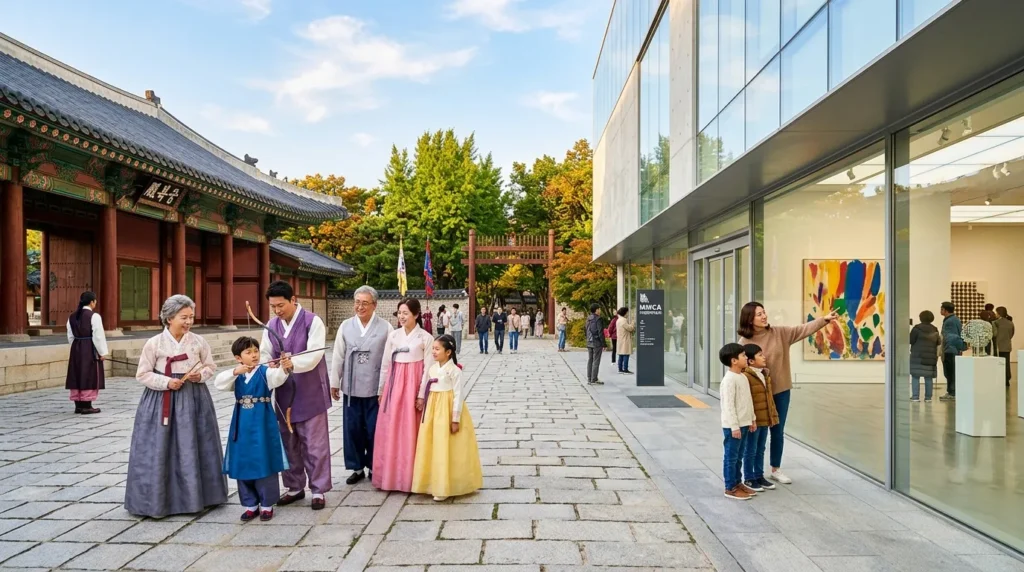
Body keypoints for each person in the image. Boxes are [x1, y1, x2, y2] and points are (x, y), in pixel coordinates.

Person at [125, 295, 226, 518]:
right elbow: (142, 374)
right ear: (169, 318)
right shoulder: (154, 343)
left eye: (191, 317)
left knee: (196, 443)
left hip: (194, 397)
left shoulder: (198, 342)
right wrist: (166, 382)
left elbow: (210, 366)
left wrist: (200, 375)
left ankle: (202, 496)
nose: (189, 322)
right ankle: (157, 499)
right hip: (162, 399)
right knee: (159, 446)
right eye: (184, 317)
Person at [738, 301, 837, 485]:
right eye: (759, 314)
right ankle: (753, 474)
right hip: (758, 394)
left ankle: (775, 469)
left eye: (764, 312)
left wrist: (824, 320)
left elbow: (803, 329)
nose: (764, 316)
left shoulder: (780, 333)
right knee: (757, 434)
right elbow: (739, 368)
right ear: (750, 319)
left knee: (777, 431)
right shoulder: (744, 342)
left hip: (780, 390)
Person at [261, 281, 331, 510]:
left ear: (293, 299)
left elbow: (315, 353)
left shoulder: (312, 321)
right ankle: (294, 486)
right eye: (273, 307)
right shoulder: (271, 325)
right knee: (288, 442)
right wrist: (271, 366)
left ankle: (318, 489)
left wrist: (292, 363)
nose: (277, 310)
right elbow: (265, 354)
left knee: (314, 444)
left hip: (310, 390)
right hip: (284, 392)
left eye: (281, 305)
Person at [214, 336, 291, 522]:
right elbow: (218, 382)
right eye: (248, 352)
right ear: (238, 357)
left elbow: (279, 377)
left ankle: (266, 504)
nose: (254, 355)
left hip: (262, 421)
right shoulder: (237, 374)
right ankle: (250, 504)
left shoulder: (266, 372)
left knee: (264, 458)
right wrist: (235, 371)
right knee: (242, 460)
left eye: (256, 351)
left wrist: (284, 366)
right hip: (241, 422)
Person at [330, 286, 392, 486]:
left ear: (374, 305)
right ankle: (356, 467)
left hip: (375, 388)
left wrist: (388, 386)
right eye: (357, 302)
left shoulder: (386, 328)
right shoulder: (346, 326)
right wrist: (334, 382)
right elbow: (338, 355)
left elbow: (391, 359)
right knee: (353, 429)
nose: (360, 306)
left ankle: (375, 466)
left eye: (365, 303)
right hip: (351, 386)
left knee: (375, 429)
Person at [411, 334, 483, 501]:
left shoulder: (454, 371)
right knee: (432, 445)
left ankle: (446, 485)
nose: (434, 352)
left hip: (448, 409)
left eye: (437, 349)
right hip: (433, 410)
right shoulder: (432, 369)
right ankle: (430, 482)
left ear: (448, 352)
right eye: (433, 349)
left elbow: (459, 395)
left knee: (446, 446)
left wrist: (455, 418)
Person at [374, 298, 435, 492]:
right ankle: (391, 476)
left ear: (416, 315)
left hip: (413, 384)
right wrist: (381, 389)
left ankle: (412, 477)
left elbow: (428, 369)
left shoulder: (425, 338)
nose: (401, 316)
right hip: (395, 385)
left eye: (406, 313)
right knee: (391, 428)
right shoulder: (393, 336)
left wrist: (421, 394)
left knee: (411, 429)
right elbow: (385, 365)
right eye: (399, 312)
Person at [719, 343, 757, 501]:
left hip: (744, 423)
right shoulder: (729, 380)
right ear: (734, 360)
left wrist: (752, 419)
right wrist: (734, 427)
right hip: (733, 427)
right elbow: (728, 406)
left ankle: (738, 482)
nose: (746, 358)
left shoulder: (742, 377)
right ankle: (730, 487)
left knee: (739, 456)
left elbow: (748, 401)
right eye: (743, 356)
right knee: (731, 457)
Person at [741, 344, 778, 493]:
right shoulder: (746, 376)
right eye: (760, 355)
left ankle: (758, 475)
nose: (764, 357)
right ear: (750, 361)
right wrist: (751, 419)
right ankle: (749, 477)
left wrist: (772, 416)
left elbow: (768, 398)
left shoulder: (764, 373)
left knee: (761, 449)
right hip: (753, 420)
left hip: (765, 419)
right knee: (750, 449)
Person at [65, 291, 108, 414]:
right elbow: (98, 336)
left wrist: (75, 347)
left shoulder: (72, 317)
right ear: (92, 302)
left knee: (77, 373)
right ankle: (86, 405)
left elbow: (70, 335)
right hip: (89, 347)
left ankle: (78, 405)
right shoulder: (94, 316)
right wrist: (102, 352)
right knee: (89, 374)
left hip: (76, 347)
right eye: (95, 301)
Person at [909, 310, 941, 402]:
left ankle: (915, 397)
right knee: (928, 377)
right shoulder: (935, 329)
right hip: (930, 357)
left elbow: (911, 340)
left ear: (920, 318)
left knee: (915, 376)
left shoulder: (916, 329)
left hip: (917, 356)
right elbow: (938, 342)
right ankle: (928, 398)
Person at [939, 301, 964, 401]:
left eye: (941, 309)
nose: (940, 311)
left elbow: (951, 337)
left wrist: (945, 348)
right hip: (954, 349)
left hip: (950, 350)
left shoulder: (950, 321)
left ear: (945, 310)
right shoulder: (954, 319)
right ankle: (951, 391)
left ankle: (952, 392)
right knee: (951, 372)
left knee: (950, 372)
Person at [994, 306, 1014, 387]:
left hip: (998, 346)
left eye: (996, 312)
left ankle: (999, 380)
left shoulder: (996, 323)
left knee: (999, 364)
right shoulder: (1010, 323)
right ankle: (1007, 379)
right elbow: (1012, 334)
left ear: (999, 313)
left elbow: (994, 334)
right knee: (1007, 363)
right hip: (1007, 346)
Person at [585, 304, 605, 385]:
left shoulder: (588, 318)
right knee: (596, 360)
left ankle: (590, 378)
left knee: (590, 360)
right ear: (596, 310)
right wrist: (603, 343)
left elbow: (585, 329)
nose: (600, 311)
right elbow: (600, 332)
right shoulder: (598, 319)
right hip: (596, 342)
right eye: (599, 309)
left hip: (589, 342)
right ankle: (594, 379)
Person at [615, 307, 635, 375]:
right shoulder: (623, 320)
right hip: (625, 340)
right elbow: (630, 328)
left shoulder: (618, 320)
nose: (628, 314)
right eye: (627, 312)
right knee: (626, 354)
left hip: (621, 339)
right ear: (625, 313)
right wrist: (632, 322)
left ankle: (620, 369)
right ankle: (625, 369)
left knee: (621, 355)